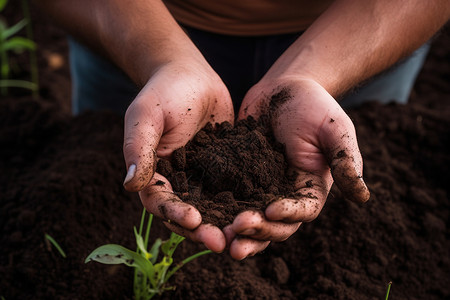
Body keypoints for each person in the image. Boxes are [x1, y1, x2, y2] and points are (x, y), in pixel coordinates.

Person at [36, 0, 449, 260]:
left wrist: (311, 76)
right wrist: (163, 58)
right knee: (110, 190)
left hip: (362, 30)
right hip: (133, 23)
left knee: (341, 230)